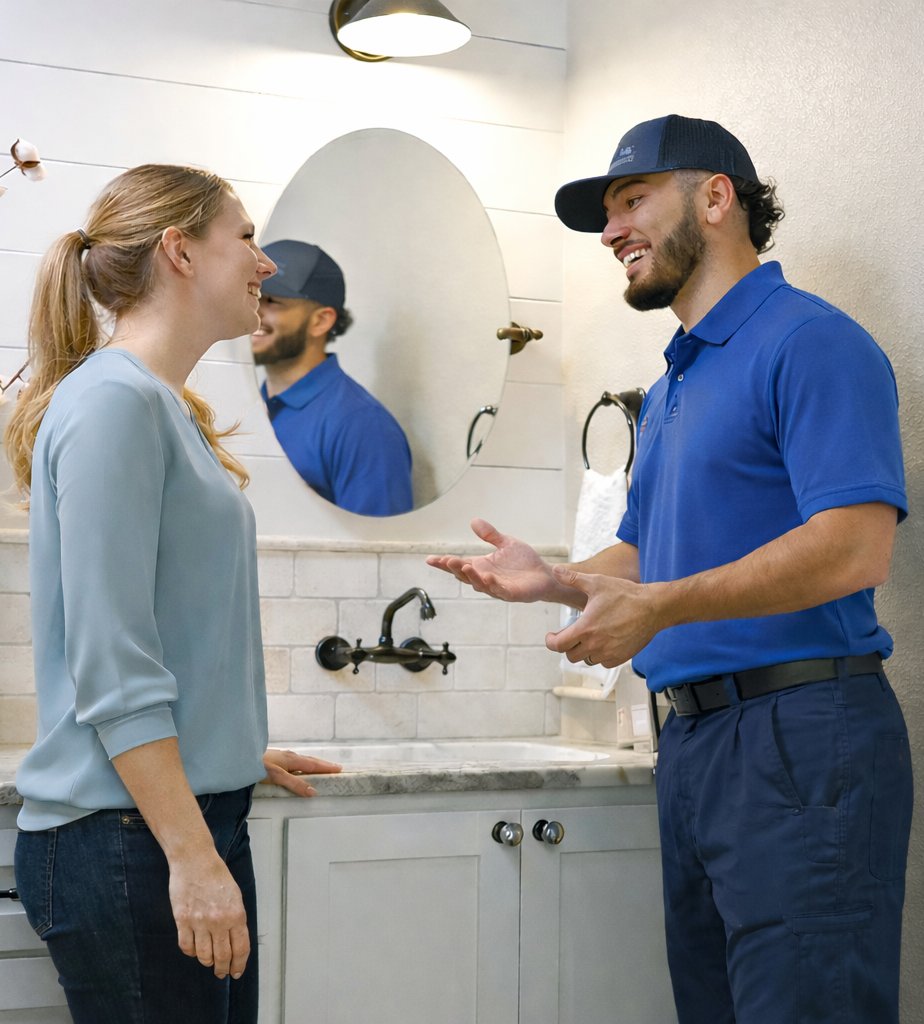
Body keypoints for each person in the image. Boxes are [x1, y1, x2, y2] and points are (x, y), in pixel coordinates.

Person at [428, 116, 913, 1023]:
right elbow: (654, 552)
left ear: (717, 197)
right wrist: (561, 577)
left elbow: (856, 545)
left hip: (800, 734)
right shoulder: (678, 380)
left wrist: (655, 607)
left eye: (632, 200)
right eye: (608, 212)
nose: (611, 230)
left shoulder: (811, 343)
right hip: (693, 745)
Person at [5, 164, 341, 1024]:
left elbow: (162, 620)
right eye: (247, 237)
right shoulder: (112, 405)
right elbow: (111, 660)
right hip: (133, 840)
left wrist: (221, 746)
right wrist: (189, 852)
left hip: (168, 820)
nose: (266, 264)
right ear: (179, 251)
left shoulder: (162, 406)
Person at [251, 239, 414, 517]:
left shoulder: (362, 425)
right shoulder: (253, 404)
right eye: (253, 295)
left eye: (273, 301)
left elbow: (375, 549)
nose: (255, 312)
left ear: (321, 321)